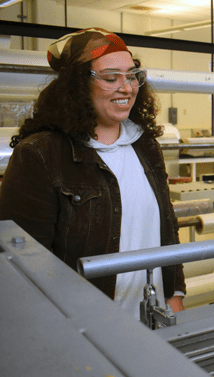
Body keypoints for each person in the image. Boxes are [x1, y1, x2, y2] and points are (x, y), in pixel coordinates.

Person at [0, 28, 185, 318]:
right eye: (111, 78)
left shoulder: (145, 144)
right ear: (77, 86)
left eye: (132, 75)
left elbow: (167, 228)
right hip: (85, 326)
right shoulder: (40, 155)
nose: (126, 87)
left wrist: (175, 294)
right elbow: (21, 262)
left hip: (154, 315)